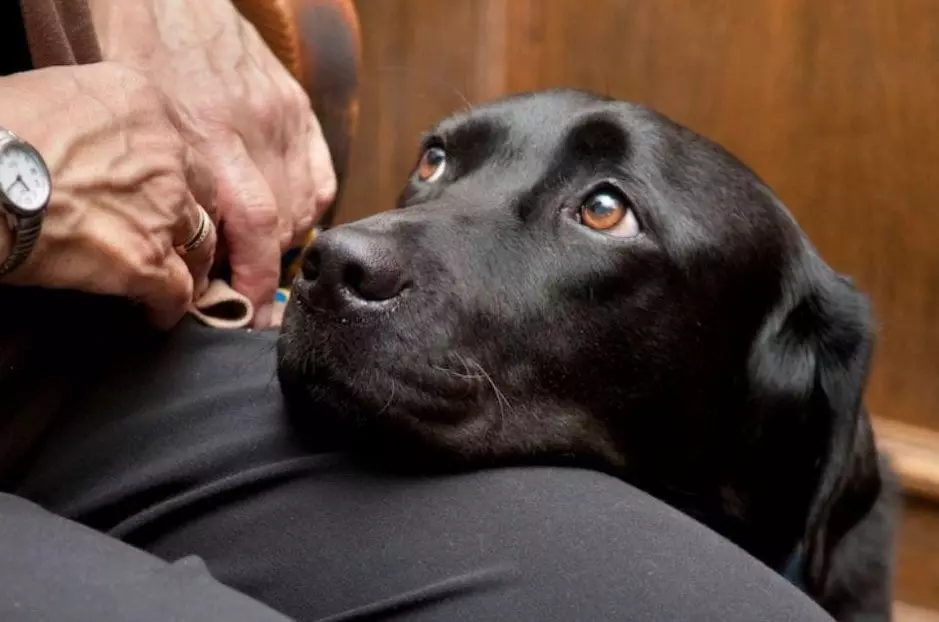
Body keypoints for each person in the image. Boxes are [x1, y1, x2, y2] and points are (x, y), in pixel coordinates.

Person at [0, 1, 838, 620]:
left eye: (602, 210)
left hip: (93, 354)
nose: (357, 245)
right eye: (435, 164)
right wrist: (17, 171)